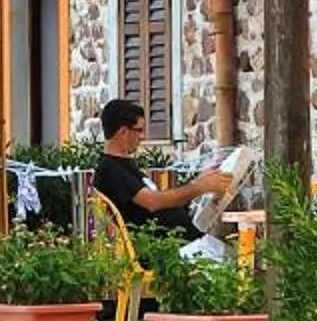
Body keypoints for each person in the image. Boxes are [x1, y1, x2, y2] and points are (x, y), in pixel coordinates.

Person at [91, 98, 238, 237]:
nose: (143, 136)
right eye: (139, 130)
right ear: (123, 132)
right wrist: (199, 187)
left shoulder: (123, 165)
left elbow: (161, 203)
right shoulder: (110, 169)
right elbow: (153, 202)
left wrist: (200, 183)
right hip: (167, 249)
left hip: (184, 240)